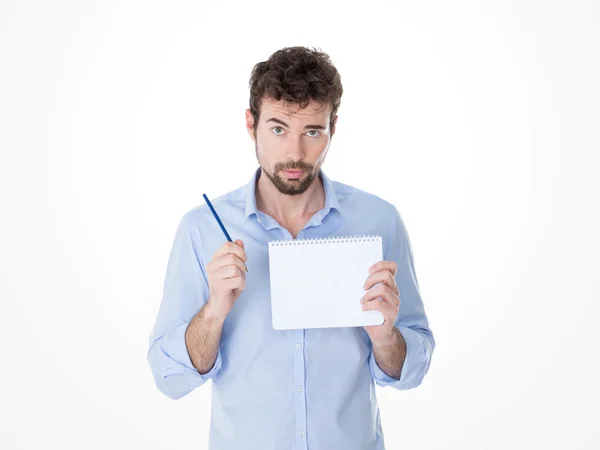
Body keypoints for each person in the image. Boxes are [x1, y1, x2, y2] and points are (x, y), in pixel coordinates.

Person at [147, 46, 435, 450]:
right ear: (251, 125)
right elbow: (168, 376)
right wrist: (214, 311)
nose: (295, 154)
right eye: (279, 129)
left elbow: (414, 368)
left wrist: (385, 338)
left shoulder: (379, 221)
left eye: (312, 132)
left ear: (333, 127)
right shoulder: (202, 229)